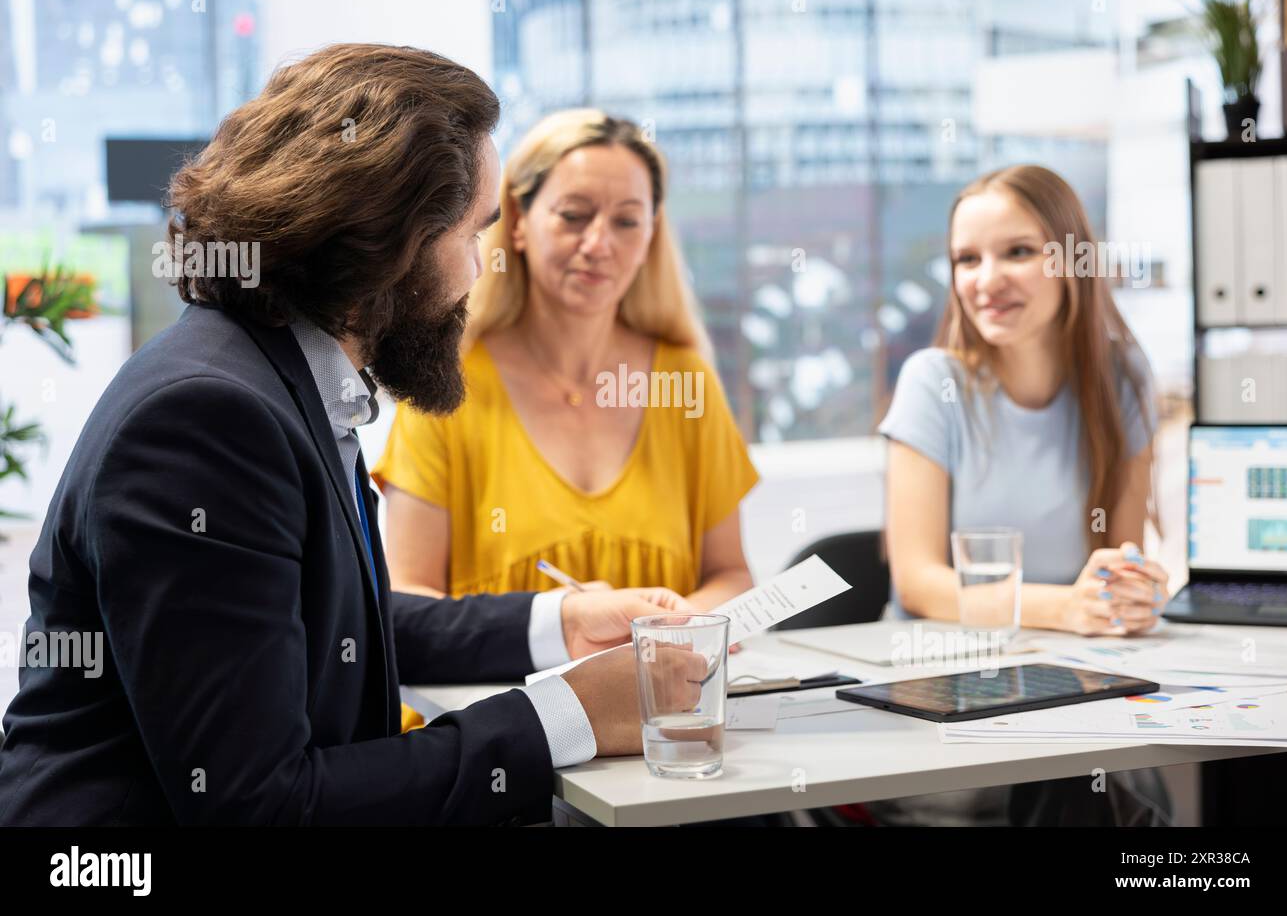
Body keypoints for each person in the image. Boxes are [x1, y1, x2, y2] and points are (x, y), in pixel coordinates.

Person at [0, 44, 704, 826]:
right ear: (391, 245)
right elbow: (264, 809)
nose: (477, 271)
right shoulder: (208, 420)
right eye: (470, 237)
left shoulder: (271, 376)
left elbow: (323, 620)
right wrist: (562, 717)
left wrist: (560, 624)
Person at [874, 164, 1171, 825]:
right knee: (1097, 794)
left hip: (1077, 682)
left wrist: (1132, 595)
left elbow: (1122, 557)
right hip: (946, 689)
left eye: (1017, 252)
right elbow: (919, 583)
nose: (986, 280)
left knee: (1122, 782)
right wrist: (1069, 607)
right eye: (966, 259)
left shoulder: (1122, 376)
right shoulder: (933, 383)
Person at [373, 108, 757, 609]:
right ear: (517, 223)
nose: (598, 245)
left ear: (650, 237)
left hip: (658, 683)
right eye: (573, 216)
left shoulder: (685, 381)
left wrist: (669, 630)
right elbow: (409, 601)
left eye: (626, 221)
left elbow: (731, 575)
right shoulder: (449, 384)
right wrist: (558, 628)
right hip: (493, 690)